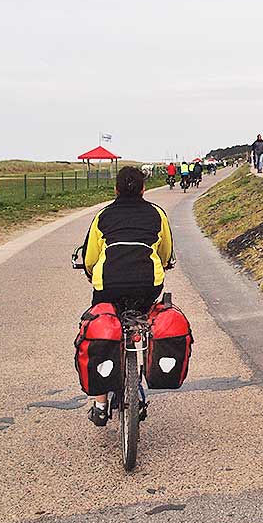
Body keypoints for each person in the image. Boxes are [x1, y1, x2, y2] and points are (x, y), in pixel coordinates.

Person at [81, 166, 173, 427]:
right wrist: (163, 264)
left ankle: (100, 404)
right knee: (143, 322)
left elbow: (90, 258)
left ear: (115, 189)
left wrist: (91, 273)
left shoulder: (103, 216)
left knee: (99, 331)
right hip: (148, 284)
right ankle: (138, 374)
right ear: (144, 189)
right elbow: (165, 252)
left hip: (108, 285)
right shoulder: (157, 214)